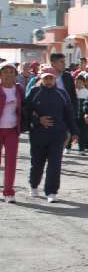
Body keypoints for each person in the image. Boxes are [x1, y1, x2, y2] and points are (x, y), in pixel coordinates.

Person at [24, 66, 79, 203]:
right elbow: (25, 112)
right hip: (38, 134)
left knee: (55, 164)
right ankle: (34, 185)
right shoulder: (34, 92)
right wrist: (38, 120)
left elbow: (69, 114)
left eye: (51, 78)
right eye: (46, 78)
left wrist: (74, 132)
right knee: (37, 163)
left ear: (55, 79)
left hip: (57, 134)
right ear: (41, 79)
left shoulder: (62, 93)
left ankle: (51, 191)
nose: (48, 81)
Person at [0, 62, 25, 203]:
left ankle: (8, 192)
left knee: (11, 162)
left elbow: (26, 106)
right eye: (5, 72)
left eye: (11, 72)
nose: (8, 75)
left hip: (12, 130)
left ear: (16, 75)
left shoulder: (19, 89)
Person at [73, 74, 88, 154]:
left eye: (80, 82)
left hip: (82, 115)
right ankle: (67, 146)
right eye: (77, 81)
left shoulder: (86, 91)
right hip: (73, 114)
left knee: (83, 132)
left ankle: (81, 148)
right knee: (71, 131)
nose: (78, 83)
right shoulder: (72, 90)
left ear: (83, 83)